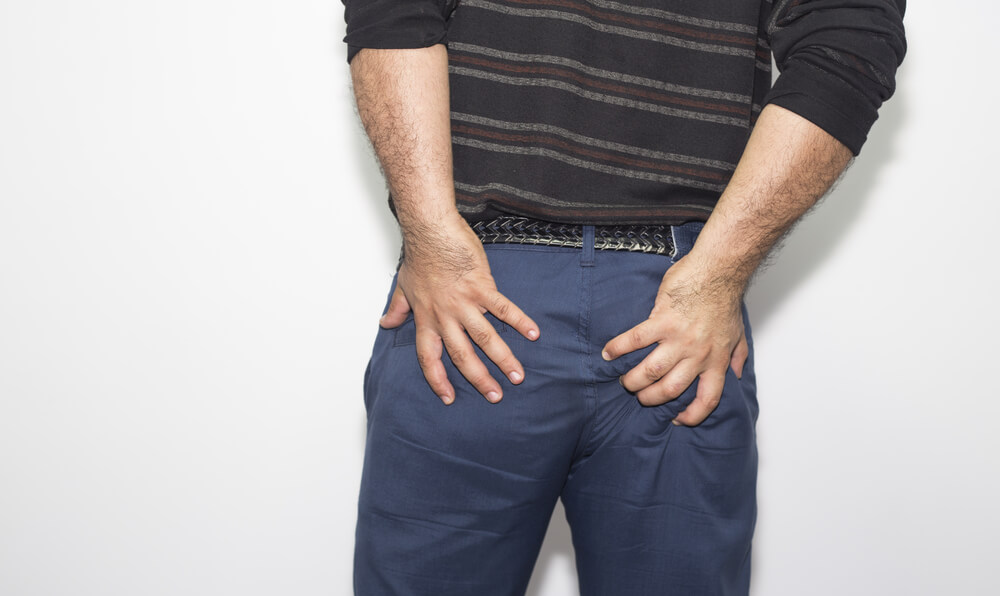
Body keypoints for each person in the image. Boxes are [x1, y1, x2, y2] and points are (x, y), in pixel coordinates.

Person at [343, 0, 906, 594]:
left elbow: (848, 41)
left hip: (671, 309)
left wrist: (716, 274)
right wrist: (432, 235)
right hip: (482, 294)